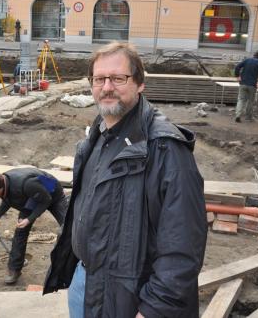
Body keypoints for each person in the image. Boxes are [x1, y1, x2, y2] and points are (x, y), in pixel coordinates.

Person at [43, 42, 207, 318]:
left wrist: (154, 308)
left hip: (130, 295)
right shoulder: (96, 137)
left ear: (140, 84)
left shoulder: (164, 148)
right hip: (85, 280)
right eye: (99, 79)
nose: (107, 87)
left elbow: (183, 245)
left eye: (118, 78)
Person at [0, 168, 68, 285]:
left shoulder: (26, 183)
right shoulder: (2, 182)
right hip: (32, 197)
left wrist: (30, 219)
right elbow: (7, 200)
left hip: (53, 193)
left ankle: (77, 262)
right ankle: (14, 269)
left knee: (70, 228)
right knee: (21, 230)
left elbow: (46, 200)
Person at [234, 51, 258, 123]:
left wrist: (237, 76)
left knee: (241, 99)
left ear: (253, 55)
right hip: (252, 85)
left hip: (243, 83)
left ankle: (238, 115)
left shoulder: (247, 60)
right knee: (250, 101)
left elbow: (237, 66)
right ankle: (248, 117)